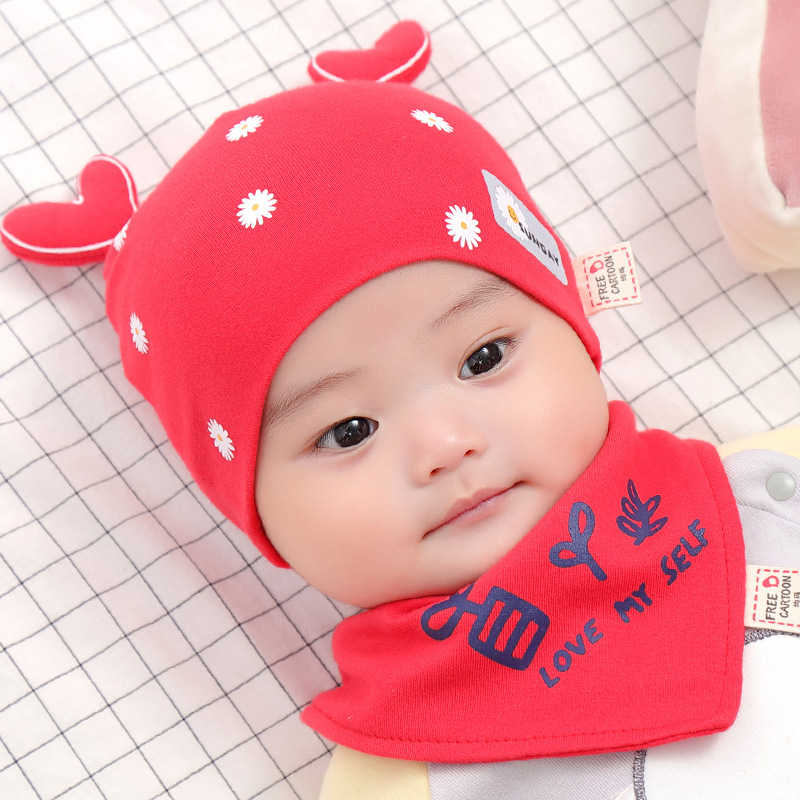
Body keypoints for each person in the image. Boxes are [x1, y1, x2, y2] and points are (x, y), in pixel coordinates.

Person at [2, 34, 798, 800]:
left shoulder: (769, 495)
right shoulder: (395, 773)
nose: (445, 446)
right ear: (257, 517)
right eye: (347, 432)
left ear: (575, 328)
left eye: (484, 358)